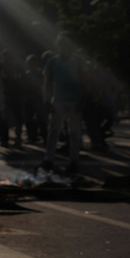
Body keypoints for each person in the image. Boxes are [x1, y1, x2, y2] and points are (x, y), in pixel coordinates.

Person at [41, 32, 84, 175]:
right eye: (62, 44)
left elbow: (85, 81)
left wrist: (83, 99)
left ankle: (74, 161)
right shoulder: (52, 61)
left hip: (75, 101)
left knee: (75, 133)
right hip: (58, 101)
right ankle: (48, 159)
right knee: (54, 131)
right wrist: (47, 101)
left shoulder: (78, 61)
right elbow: (47, 83)